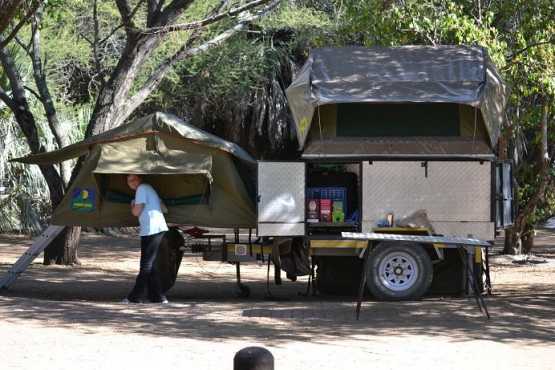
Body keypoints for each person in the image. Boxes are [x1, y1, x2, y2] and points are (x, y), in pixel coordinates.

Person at [123, 174, 169, 304]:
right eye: (128, 181)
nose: (130, 182)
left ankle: (134, 297)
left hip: (151, 230)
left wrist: (132, 205)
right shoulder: (149, 188)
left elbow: (136, 212)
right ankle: (159, 297)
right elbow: (164, 208)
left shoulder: (141, 189)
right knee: (151, 265)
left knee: (146, 265)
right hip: (156, 228)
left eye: (133, 179)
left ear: (140, 179)